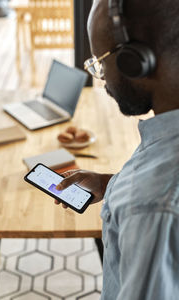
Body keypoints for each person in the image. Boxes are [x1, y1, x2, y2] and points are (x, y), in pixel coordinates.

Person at [55, 0, 179, 299]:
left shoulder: (150, 208)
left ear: (135, 62)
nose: (102, 78)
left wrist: (134, 194)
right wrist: (112, 184)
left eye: (100, 61)